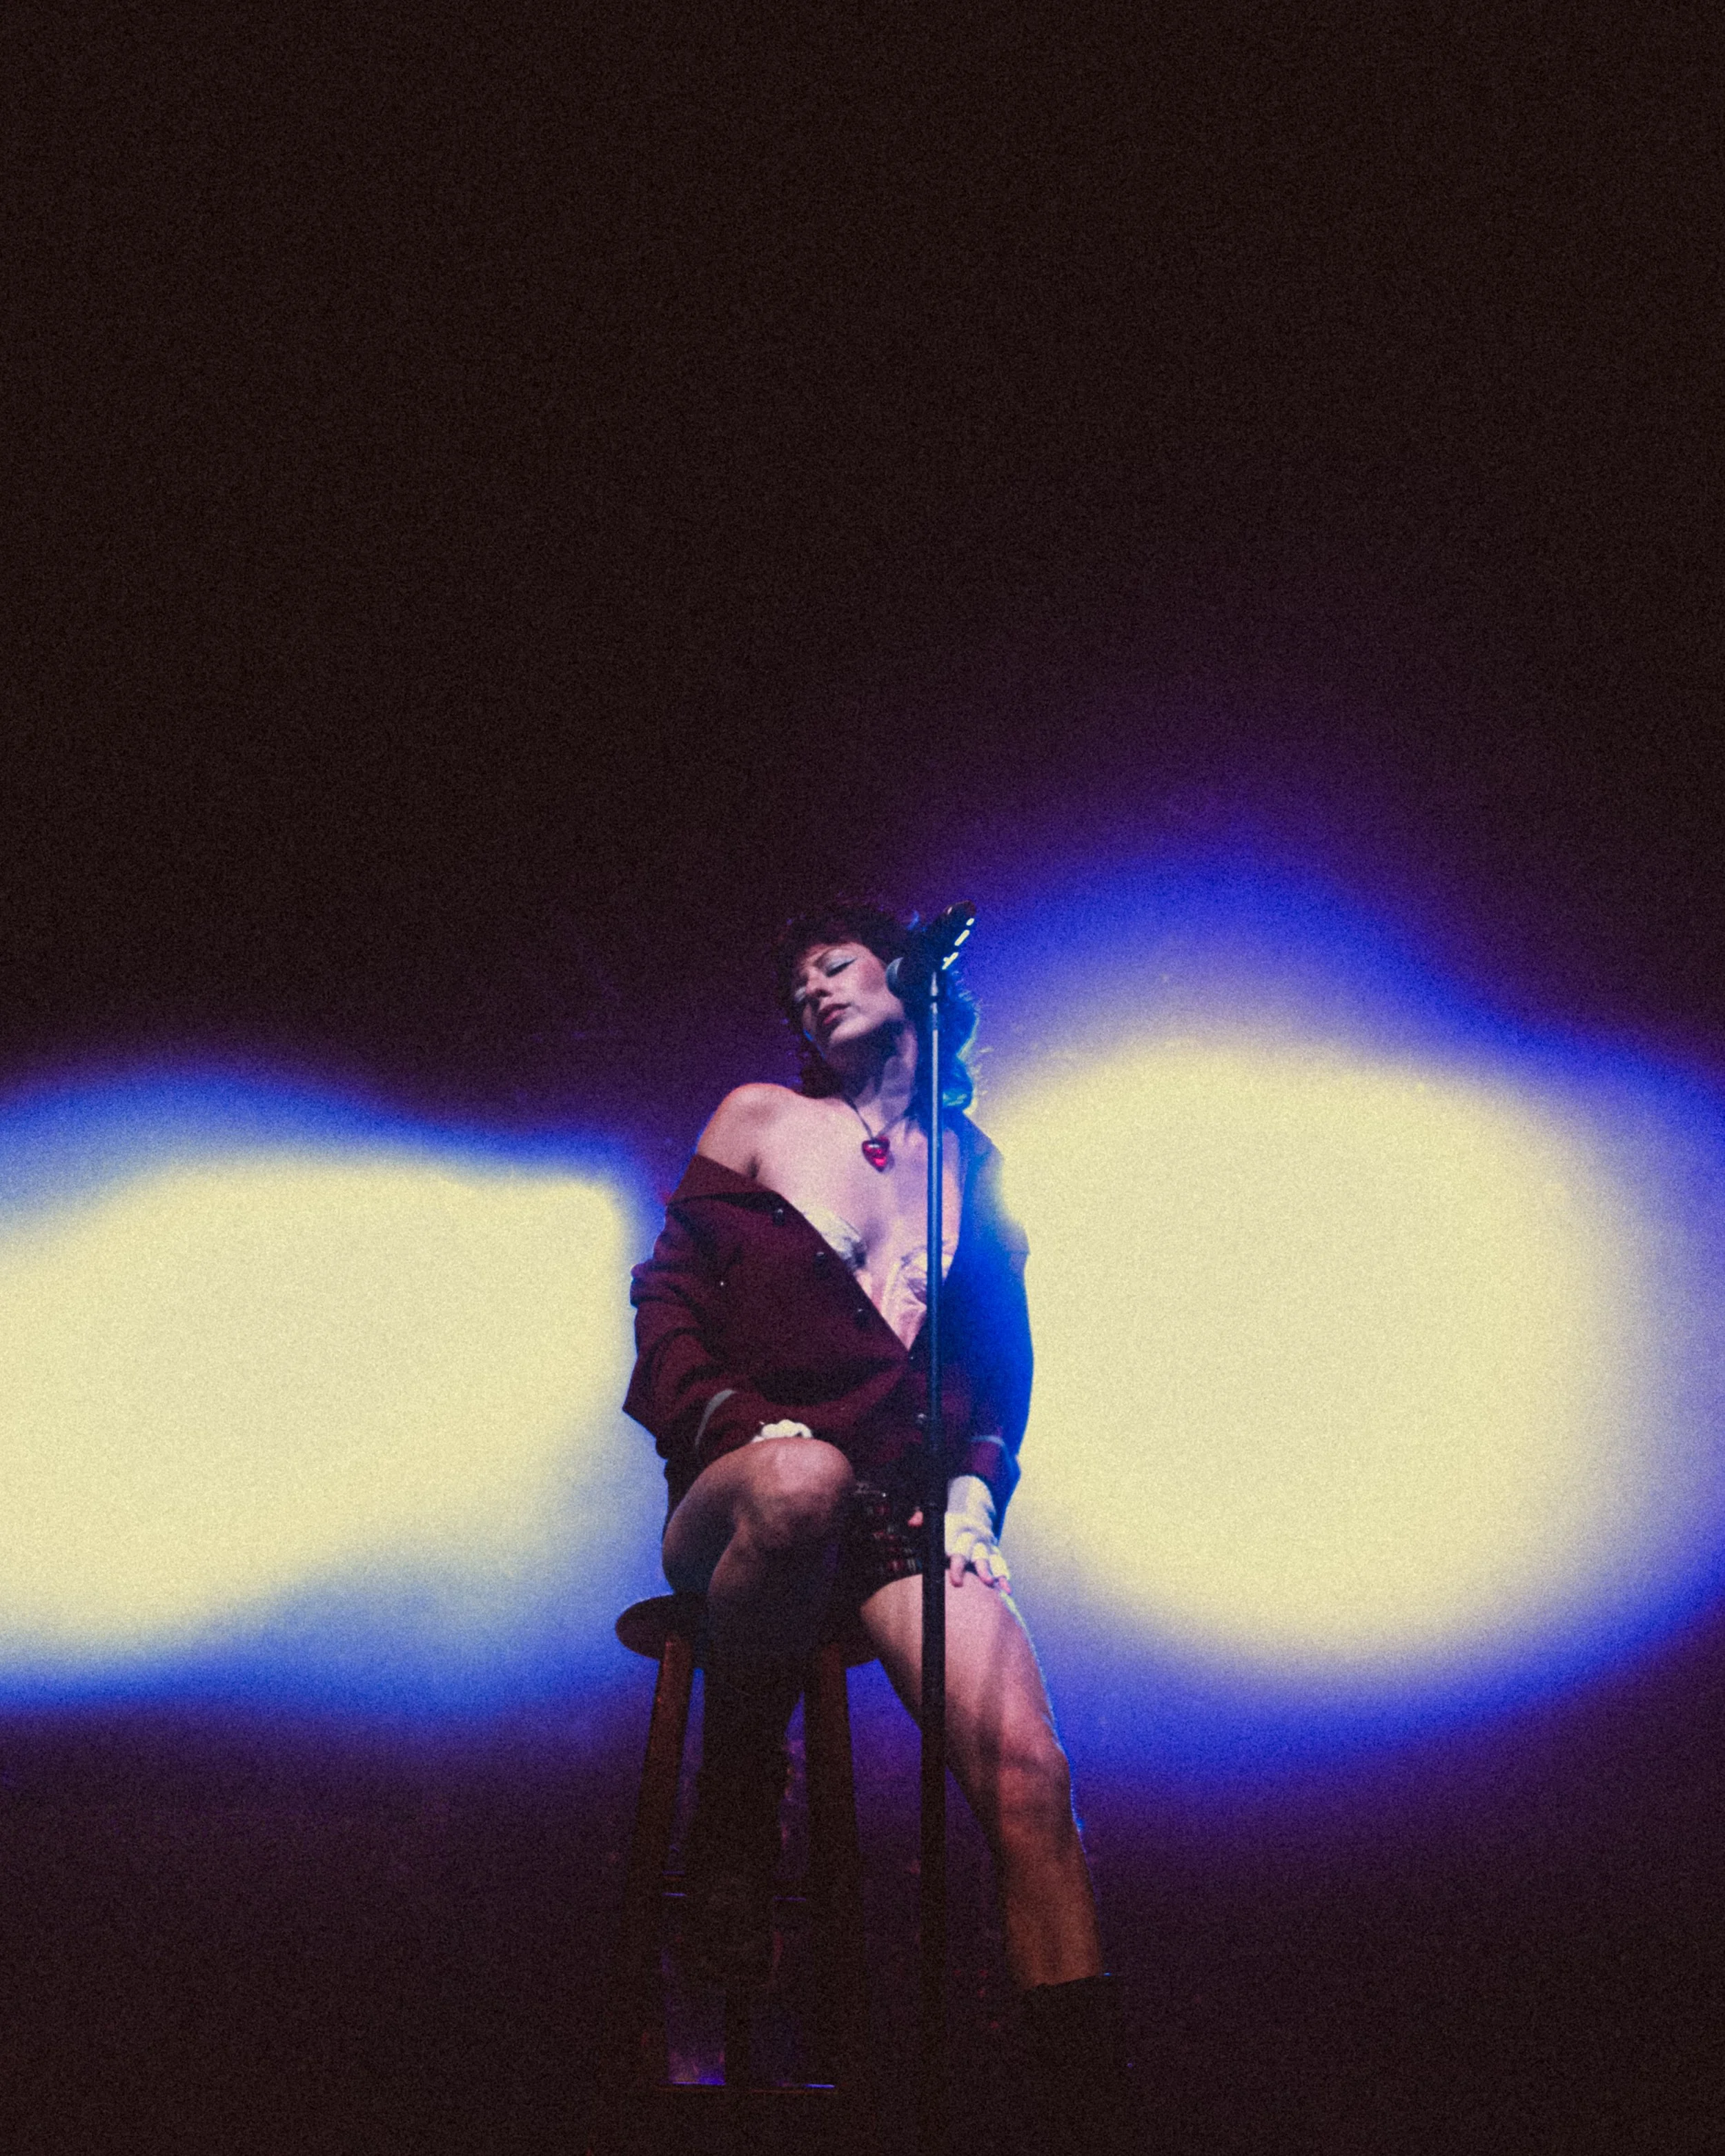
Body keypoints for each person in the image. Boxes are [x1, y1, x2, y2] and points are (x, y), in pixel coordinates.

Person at [623, 900, 1129, 2147]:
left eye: (832, 966)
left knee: (1031, 1776)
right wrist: (731, 1420)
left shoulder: (970, 1159)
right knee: (803, 1491)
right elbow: (668, 1301)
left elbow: (999, 1359)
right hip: (747, 1481)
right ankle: (743, 1790)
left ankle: (1079, 2107)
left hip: (898, 1499)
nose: (810, 993)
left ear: (906, 978)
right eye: (795, 986)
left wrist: (975, 1488)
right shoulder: (758, 1118)